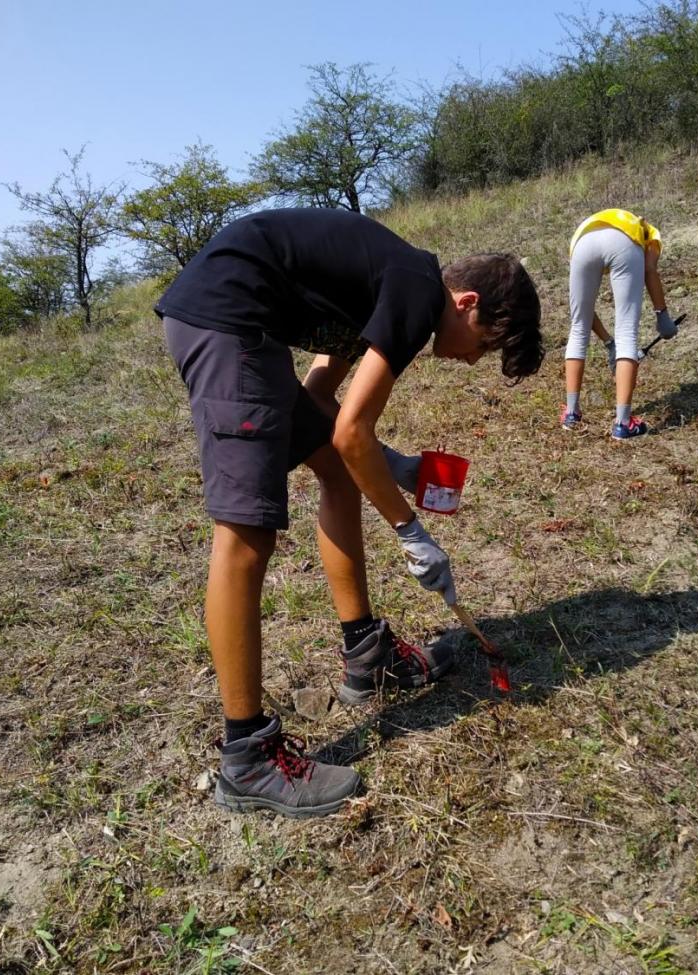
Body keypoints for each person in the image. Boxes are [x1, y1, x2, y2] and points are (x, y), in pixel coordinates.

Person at [156, 208, 543, 818]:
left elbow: (323, 408)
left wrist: (405, 469)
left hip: (236, 321)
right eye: (485, 344)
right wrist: (413, 535)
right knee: (246, 535)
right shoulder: (416, 293)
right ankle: (248, 758)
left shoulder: (390, 286)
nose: (473, 361)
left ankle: (368, 656)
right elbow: (352, 432)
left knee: (336, 476)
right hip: (229, 323)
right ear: (466, 302)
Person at [560, 208, 679, 438]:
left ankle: (571, 414)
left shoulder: (593, 225)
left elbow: (585, 313)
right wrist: (661, 314)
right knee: (626, 332)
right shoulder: (649, 233)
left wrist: (607, 342)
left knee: (578, 327)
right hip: (624, 243)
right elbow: (649, 269)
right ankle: (623, 424)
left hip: (582, 241)